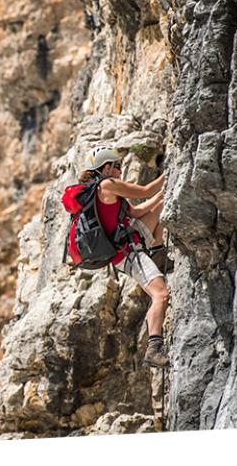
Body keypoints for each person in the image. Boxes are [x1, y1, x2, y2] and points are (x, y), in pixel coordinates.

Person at [80, 146, 170, 368]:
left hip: (127, 246)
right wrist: (171, 172)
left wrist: (162, 194)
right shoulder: (108, 184)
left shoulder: (102, 193)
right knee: (161, 294)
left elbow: (138, 212)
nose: (120, 171)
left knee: (162, 206)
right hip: (128, 253)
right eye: (117, 166)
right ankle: (153, 348)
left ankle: (158, 255)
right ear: (106, 167)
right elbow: (146, 190)